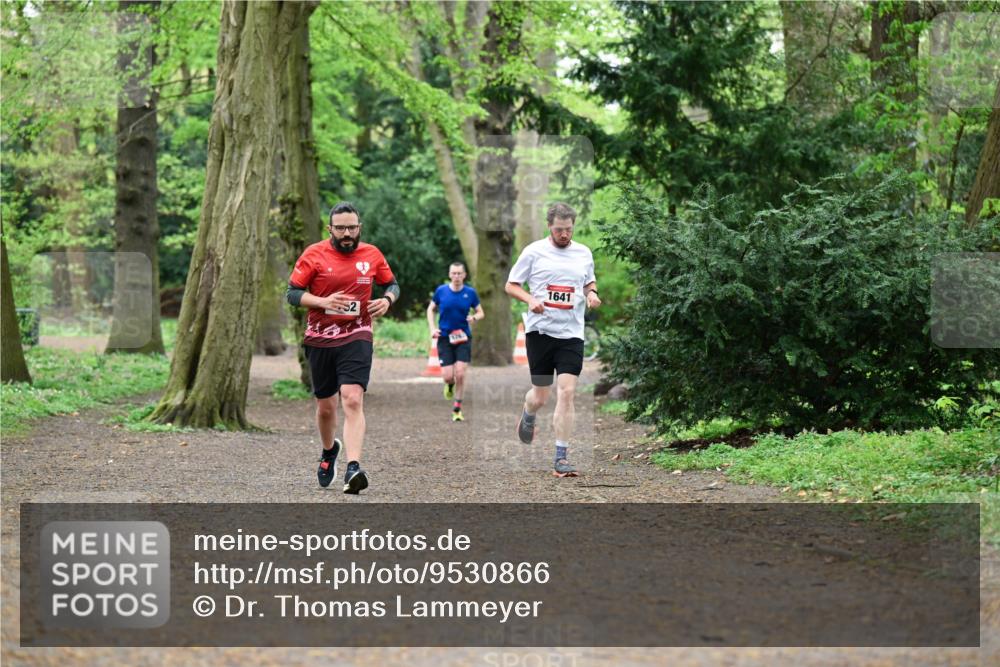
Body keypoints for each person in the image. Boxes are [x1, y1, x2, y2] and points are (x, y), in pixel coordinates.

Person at [286, 201, 400, 494]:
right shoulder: (314, 254)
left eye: (352, 227)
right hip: (320, 336)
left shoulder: (372, 254)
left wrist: (386, 300)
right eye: (341, 228)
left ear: (359, 227)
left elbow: (393, 284)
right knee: (326, 407)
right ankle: (328, 451)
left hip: (357, 333)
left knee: (351, 398)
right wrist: (323, 302)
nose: (347, 233)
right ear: (330, 229)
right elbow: (293, 293)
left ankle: (353, 467)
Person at [505, 203, 600, 477]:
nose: (564, 235)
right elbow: (511, 285)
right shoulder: (533, 252)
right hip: (541, 332)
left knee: (567, 391)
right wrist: (531, 299)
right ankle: (528, 412)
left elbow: (588, 282)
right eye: (559, 230)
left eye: (568, 230)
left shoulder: (583, 253)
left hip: (571, 333)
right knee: (540, 395)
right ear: (550, 227)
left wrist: (592, 294)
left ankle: (561, 457)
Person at [426, 262, 484, 422]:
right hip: (444, 337)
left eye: (459, 273)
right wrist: (432, 328)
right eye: (454, 273)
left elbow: (481, 312)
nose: (457, 276)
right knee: (447, 376)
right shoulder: (441, 291)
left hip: (463, 337)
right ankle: (449, 384)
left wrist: (473, 317)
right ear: (449, 274)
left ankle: (457, 408)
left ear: (464, 275)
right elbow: (431, 309)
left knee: (460, 373)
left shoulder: (470, 293)